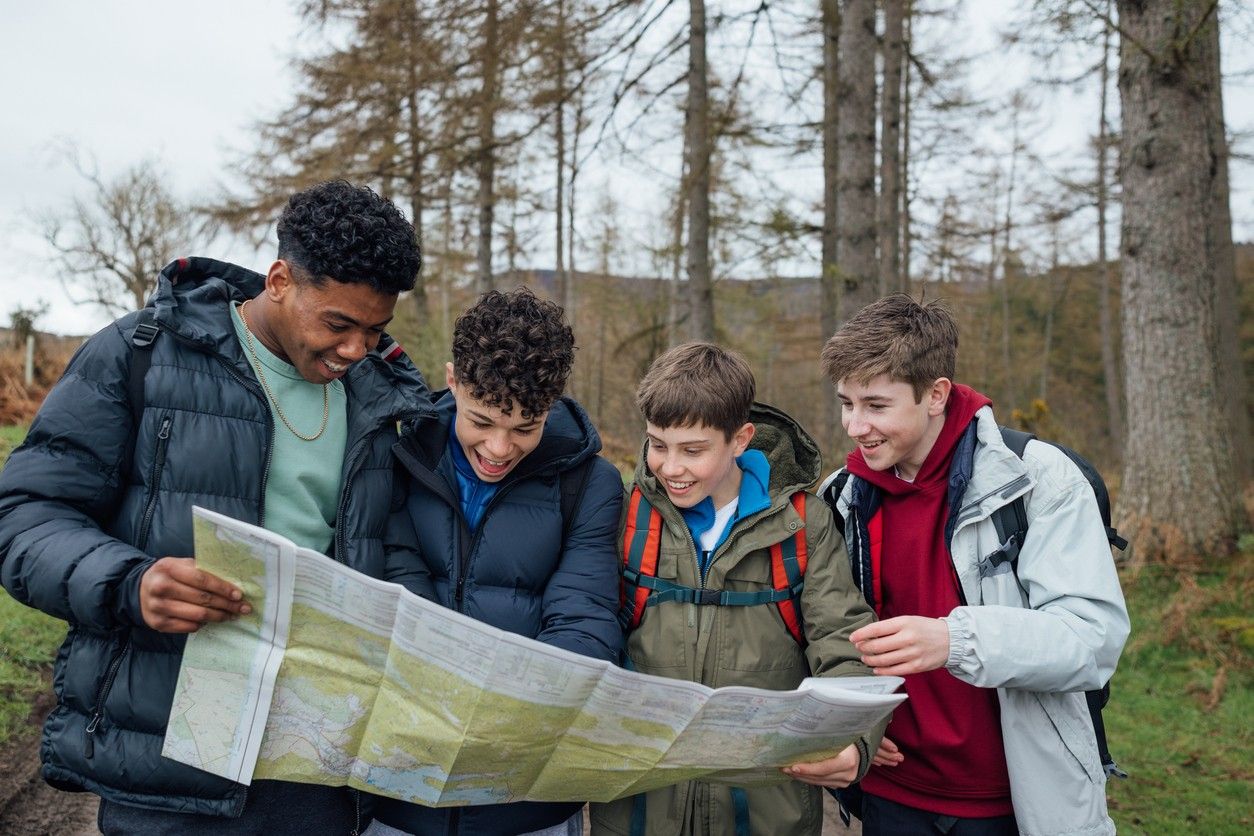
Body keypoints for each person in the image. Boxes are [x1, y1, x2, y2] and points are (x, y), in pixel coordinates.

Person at [0, 180, 429, 835]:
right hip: (170, 761)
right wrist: (129, 583)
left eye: (374, 331)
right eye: (338, 325)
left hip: (315, 763)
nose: (355, 351)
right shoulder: (140, 354)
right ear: (280, 279)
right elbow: (24, 517)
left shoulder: (381, 399)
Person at [817, 294, 1130, 836]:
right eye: (846, 403)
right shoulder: (840, 497)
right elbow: (825, 635)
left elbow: (1094, 639)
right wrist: (854, 724)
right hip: (891, 795)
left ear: (935, 394)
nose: (855, 425)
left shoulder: (1038, 480)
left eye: (876, 405)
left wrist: (954, 641)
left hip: (1013, 799)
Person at [589, 342, 884, 836]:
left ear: (740, 438)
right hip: (639, 810)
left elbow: (844, 642)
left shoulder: (802, 526)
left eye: (693, 450)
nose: (670, 467)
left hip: (765, 812)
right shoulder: (628, 517)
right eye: (657, 444)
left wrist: (856, 740)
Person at [370, 287, 623, 836]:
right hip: (403, 792)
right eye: (481, 421)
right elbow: (397, 584)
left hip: (527, 798)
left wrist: (515, 714)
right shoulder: (397, 456)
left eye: (525, 427)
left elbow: (586, 617)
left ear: (552, 403)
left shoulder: (591, 483)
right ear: (453, 380)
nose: (500, 448)